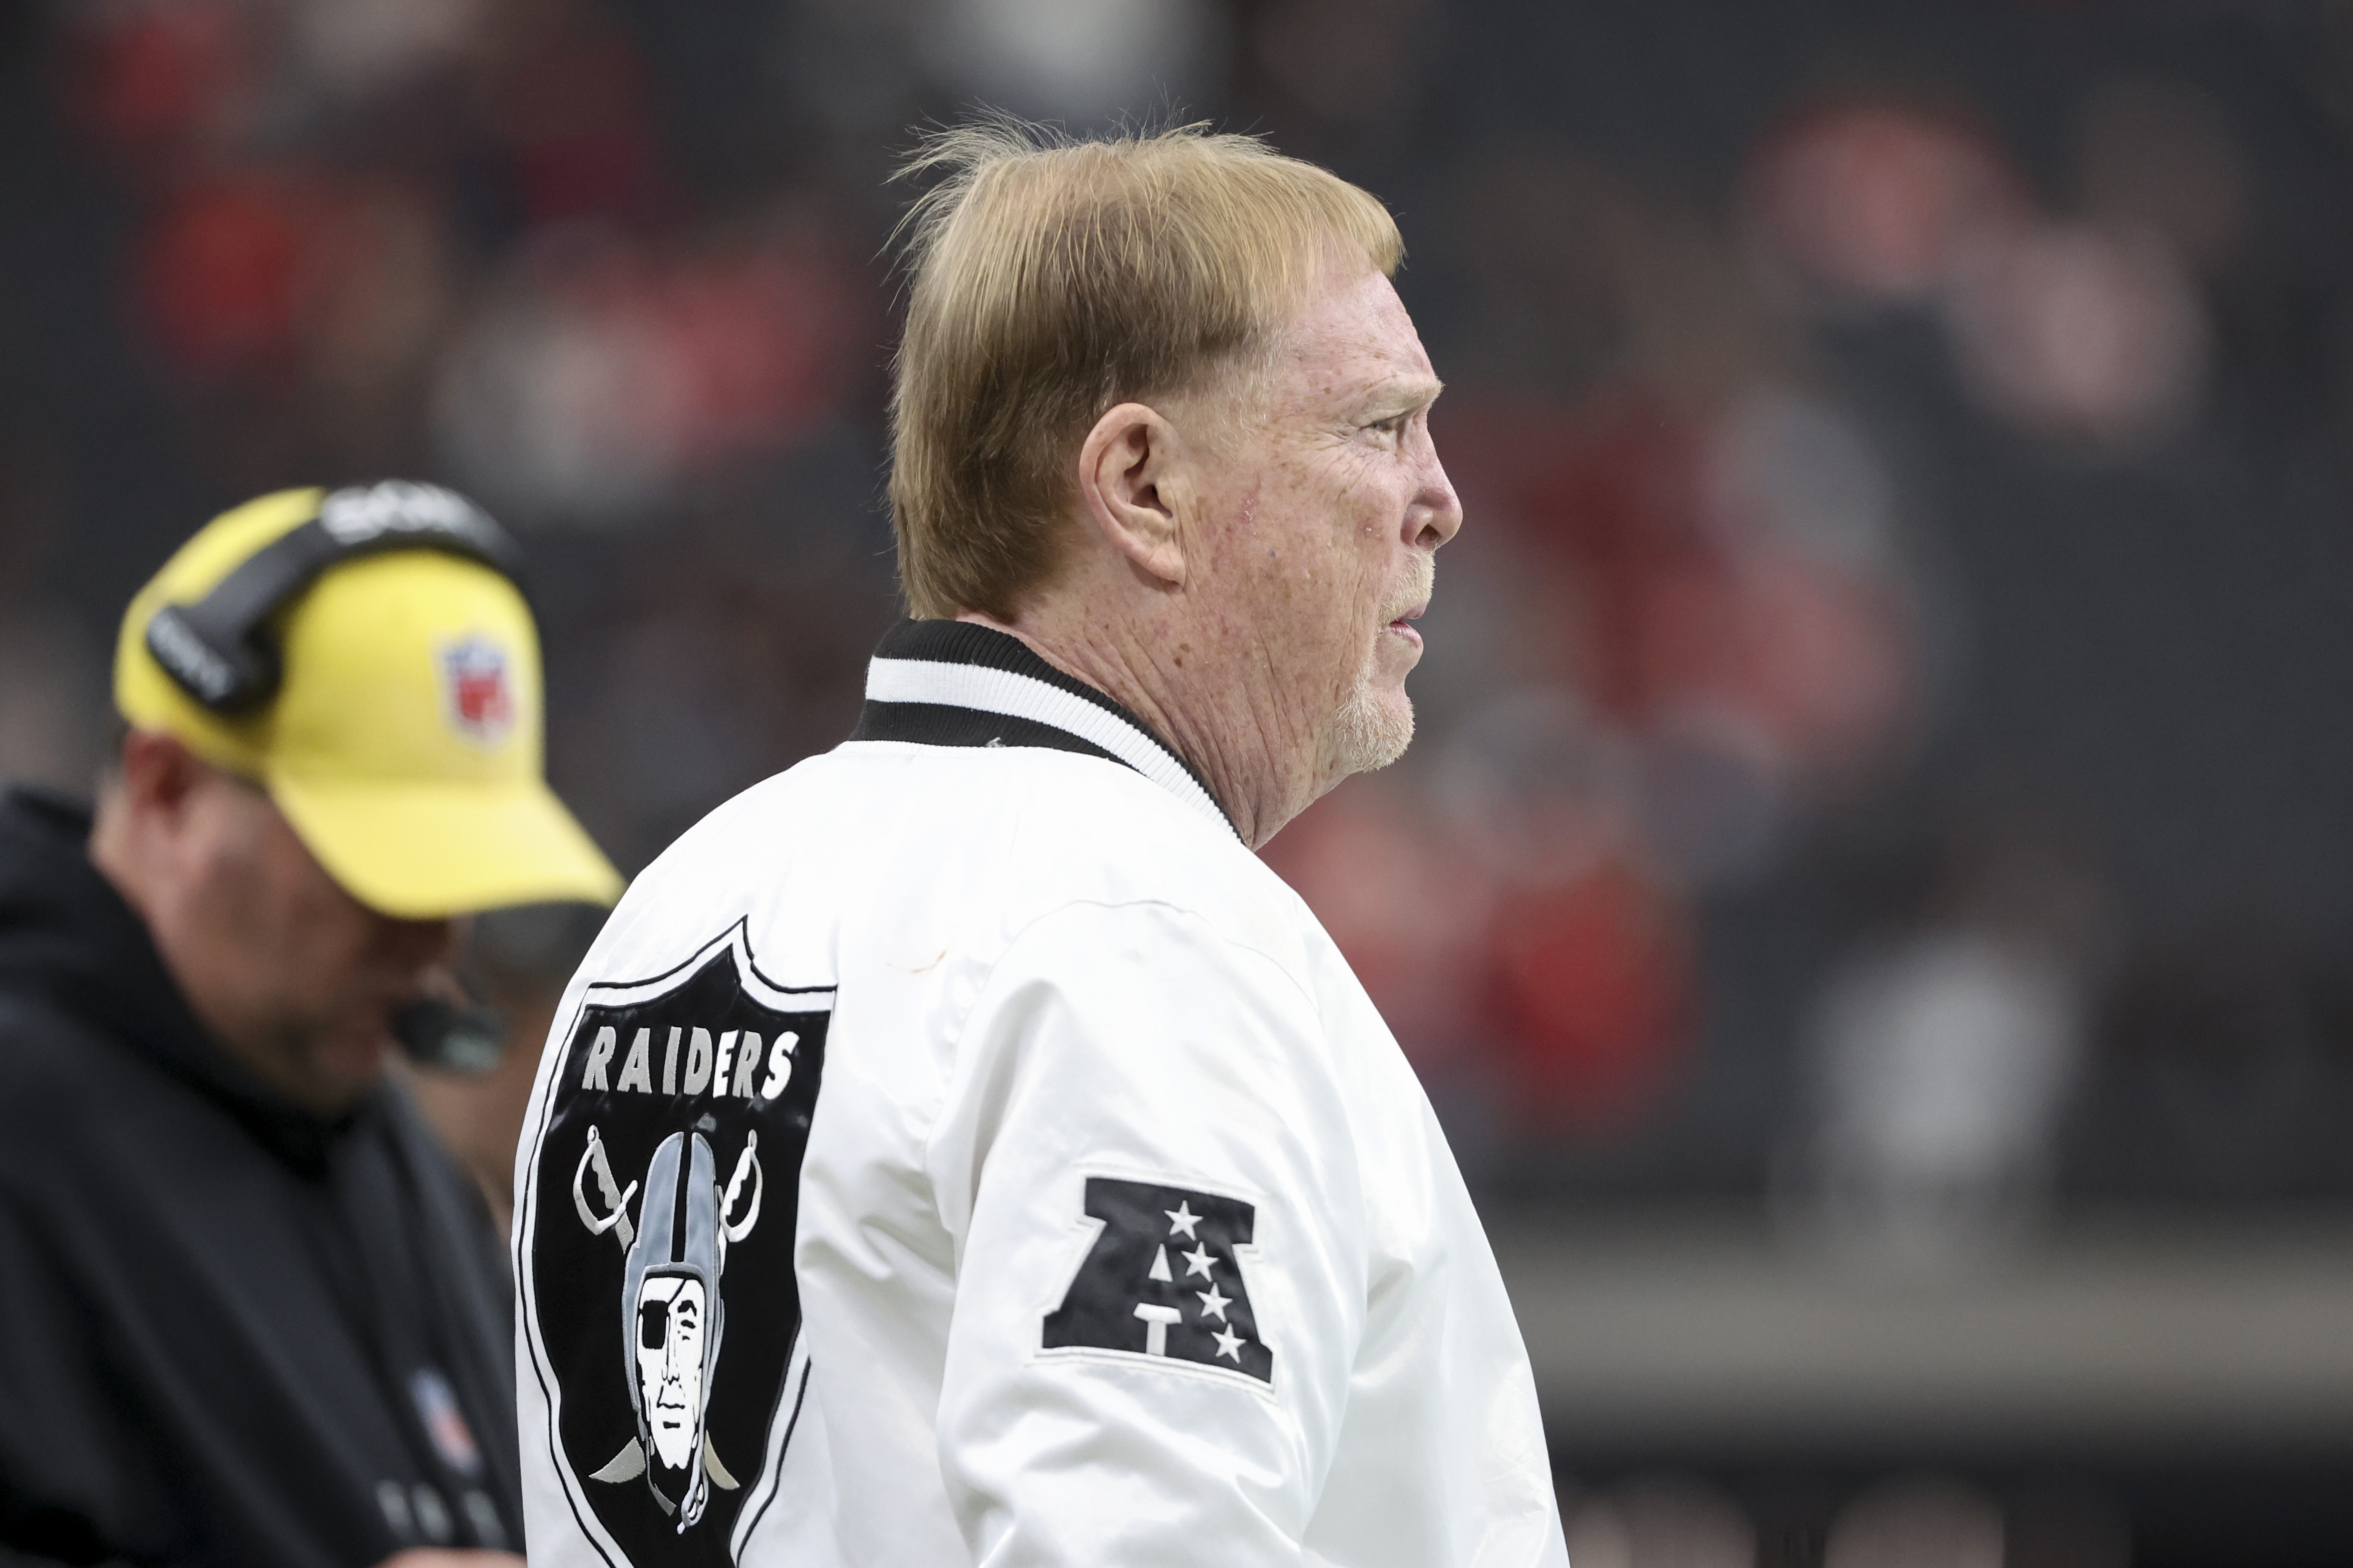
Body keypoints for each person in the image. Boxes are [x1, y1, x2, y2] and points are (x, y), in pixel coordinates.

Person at [513, 123, 1568, 1566]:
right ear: (1139, 484)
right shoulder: (1145, 937)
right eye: (1375, 426)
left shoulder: (682, 902)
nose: (1438, 499)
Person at [0, 482, 624, 1568]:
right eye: (378, 869)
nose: (434, 939)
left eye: (460, 871)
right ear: (166, 788)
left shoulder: (390, 1147)